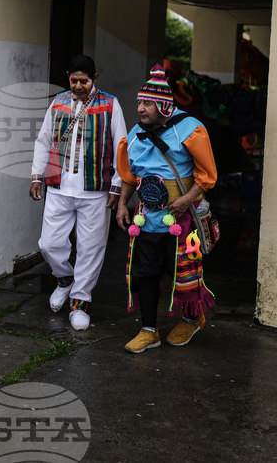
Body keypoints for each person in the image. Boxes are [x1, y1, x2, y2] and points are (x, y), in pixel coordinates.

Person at [116, 64, 218, 353]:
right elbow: (129, 175)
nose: (140, 108)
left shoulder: (190, 128)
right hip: (146, 218)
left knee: (183, 271)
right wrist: (123, 203)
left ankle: (190, 319)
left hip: (181, 217)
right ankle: (149, 329)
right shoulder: (134, 134)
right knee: (145, 272)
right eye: (139, 102)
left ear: (163, 104)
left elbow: (207, 176)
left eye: (147, 103)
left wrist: (187, 200)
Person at [30, 55, 128, 330]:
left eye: (84, 81)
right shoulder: (58, 102)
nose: (78, 85)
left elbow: (122, 146)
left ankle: (80, 303)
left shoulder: (110, 104)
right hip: (58, 186)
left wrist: (117, 186)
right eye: (73, 80)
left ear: (95, 78)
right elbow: (43, 140)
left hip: (95, 190)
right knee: (49, 244)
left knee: (91, 248)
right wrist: (37, 176)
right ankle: (64, 279)